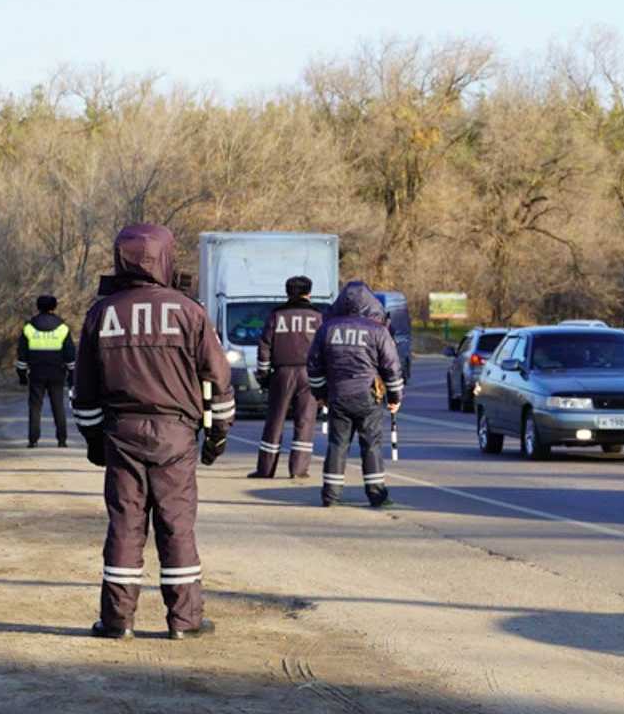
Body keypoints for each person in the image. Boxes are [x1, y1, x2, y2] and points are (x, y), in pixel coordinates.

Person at [72, 223, 235, 641]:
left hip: (120, 434)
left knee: (125, 527)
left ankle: (116, 622)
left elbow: (84, 392)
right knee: (176, 526)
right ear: (165, 257)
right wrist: (216, 436)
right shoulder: (189, 311)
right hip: (175, 435)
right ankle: (184, 621)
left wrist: (95, 443)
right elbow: (217, 380)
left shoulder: (101, 314)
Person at [306, 281, 403, 508]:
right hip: (368, 397)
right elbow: (392, 366)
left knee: (338, 445)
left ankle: (330, 496)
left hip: (338, 396)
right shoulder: (377, 330)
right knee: (371, 446)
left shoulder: (327, 329)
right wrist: (395, 398)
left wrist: (320, 394)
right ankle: (377, 496)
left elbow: (313, 365)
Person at [249, 276, 324, 479]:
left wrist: (264, 375)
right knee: (305, 421)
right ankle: (298, 470)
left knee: (275, 421)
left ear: (288, 292)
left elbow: (265, 345)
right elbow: (324, 348)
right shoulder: (317, 316)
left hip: (281, 374)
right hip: (309, 374)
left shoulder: (277, 315)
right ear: (309, 293)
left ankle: (265, 469)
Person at [16, 295, 76, 448]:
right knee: (58, 406)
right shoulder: (62, 328)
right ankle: (62, 440)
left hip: (36, 372)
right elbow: (70, 354)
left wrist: (22, 375)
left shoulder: (29, 327)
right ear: (54, 307)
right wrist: (72, 374)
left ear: (38, 307)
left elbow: (22, 354)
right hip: (57, 372)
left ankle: (33, 440)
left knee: (35, 407)